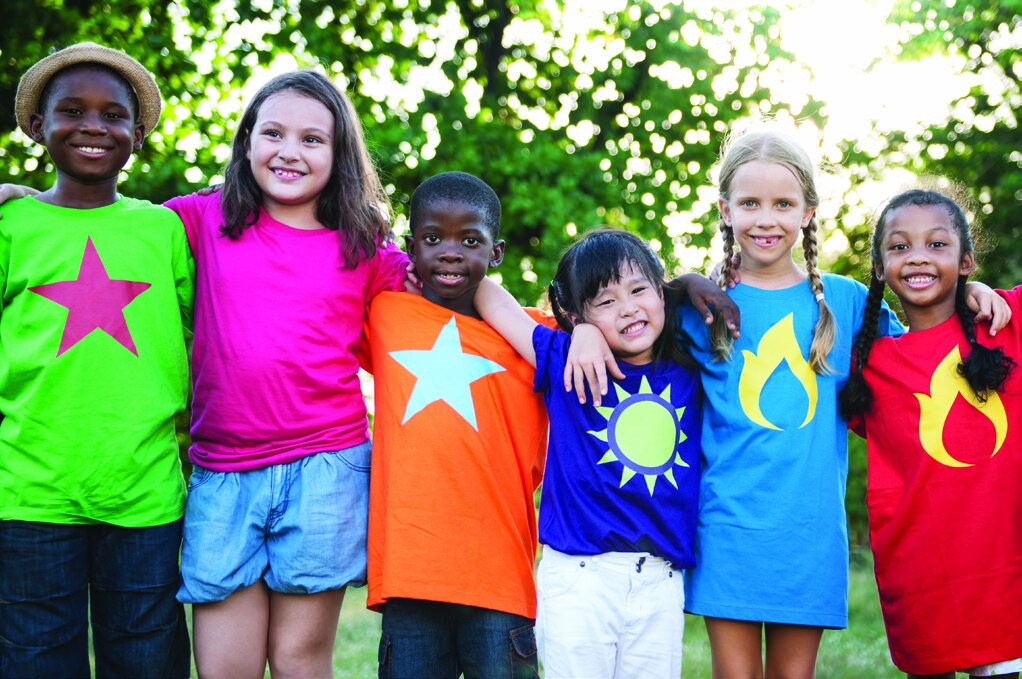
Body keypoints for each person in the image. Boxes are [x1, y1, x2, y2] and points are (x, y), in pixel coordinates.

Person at [667, 126, 1011, 678]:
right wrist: (678, 283)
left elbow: (929, 350)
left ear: (807, 212)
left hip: (808, 537)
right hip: (726, 533)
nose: (766, 218)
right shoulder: (698, 310)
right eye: (750, 203)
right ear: (725, 209)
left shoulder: (848, 304)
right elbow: (618, 317)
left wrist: (971, 293)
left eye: (783, 203)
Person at [164, 71, 409, 678]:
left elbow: (452, 288)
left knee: (300, 661)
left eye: (312, 139)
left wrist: (583, 323)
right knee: (225, 668)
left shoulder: (364, 244)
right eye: (272, 132)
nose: (289, 152)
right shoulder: (200, 219)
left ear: (339, 153)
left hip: (325, 468)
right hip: (222, 472)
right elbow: (103, 227)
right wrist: (28, 199)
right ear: (247, 141)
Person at [0, 42, 192, 678]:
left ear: (137, 135)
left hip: (144, 494)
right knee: (34, 660)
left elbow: (209, 330)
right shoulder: (12, 225)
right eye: (72, 111)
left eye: (113, 116)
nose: (92, 126)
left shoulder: (164, 230)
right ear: (37, 126)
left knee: (146, 658)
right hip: (28, 494)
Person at [475, 228, 703, 679]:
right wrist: (576, 331)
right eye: (606, 301)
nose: (629, 308)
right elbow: (488, 294)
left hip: (660, 579)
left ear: (662, 292)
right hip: (581, 575)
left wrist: (693, 280)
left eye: (639, 289)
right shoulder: (565, 359)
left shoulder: (690, 366)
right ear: (577, 312)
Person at [363, 171, 550, 678]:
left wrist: (686, 284)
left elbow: (625, 316)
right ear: (410, 247)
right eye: (432, 239)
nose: (449, 252)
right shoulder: (385, 314)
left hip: (500, 578)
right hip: (410, 575)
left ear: (497, 253)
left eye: (470, 240)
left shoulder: (538, 338)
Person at [838, 188, 1022, 679]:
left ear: (966, 260)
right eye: (899, 247)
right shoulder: (867, 365)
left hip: (1003, 579)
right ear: (878, 268)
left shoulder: (1006, 324)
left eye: (937, 244)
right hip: (921, 581)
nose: (917, 256)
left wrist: (984, 292)